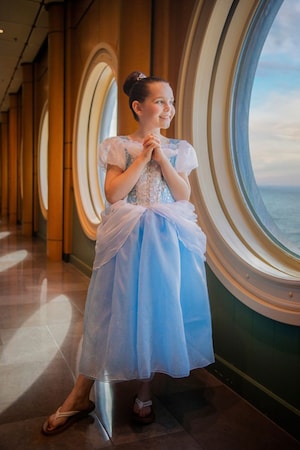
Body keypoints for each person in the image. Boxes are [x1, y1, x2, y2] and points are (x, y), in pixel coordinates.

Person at [42, 71, 214, 435]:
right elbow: (114, 193)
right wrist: (143, 156)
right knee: (109, 310)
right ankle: (79, 394)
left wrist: (162, 158)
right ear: (139, 107)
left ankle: (145, 391)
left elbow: (182, 195)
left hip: (166, 239)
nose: (169, 107)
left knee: (157, 308)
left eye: (170, 100)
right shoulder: (117, 145)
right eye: (160, 101)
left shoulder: (181, 148)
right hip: (128, 237)